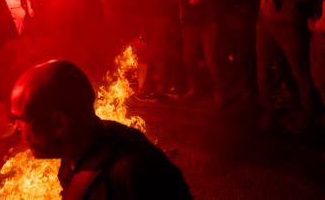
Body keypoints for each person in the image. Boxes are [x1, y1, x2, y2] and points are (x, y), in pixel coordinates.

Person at [10, 59, 193, 200]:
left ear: (59, 124)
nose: (16, 128)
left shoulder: (133, 173)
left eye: (20, 119)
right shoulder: (74, 158)